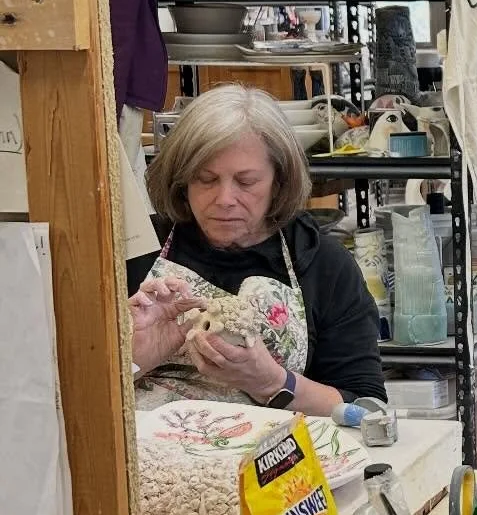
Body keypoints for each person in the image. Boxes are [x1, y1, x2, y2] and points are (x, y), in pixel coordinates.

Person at [129, 85, 384, 413]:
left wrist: (271, 381)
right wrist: (133, 358)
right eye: (205, 180)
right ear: (181, 181)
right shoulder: (138, 248)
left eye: (246, 182)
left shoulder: (323, 264)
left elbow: (367, 407)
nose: (224, 199)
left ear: (279, 182)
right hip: (147, 458)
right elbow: (63, 391)